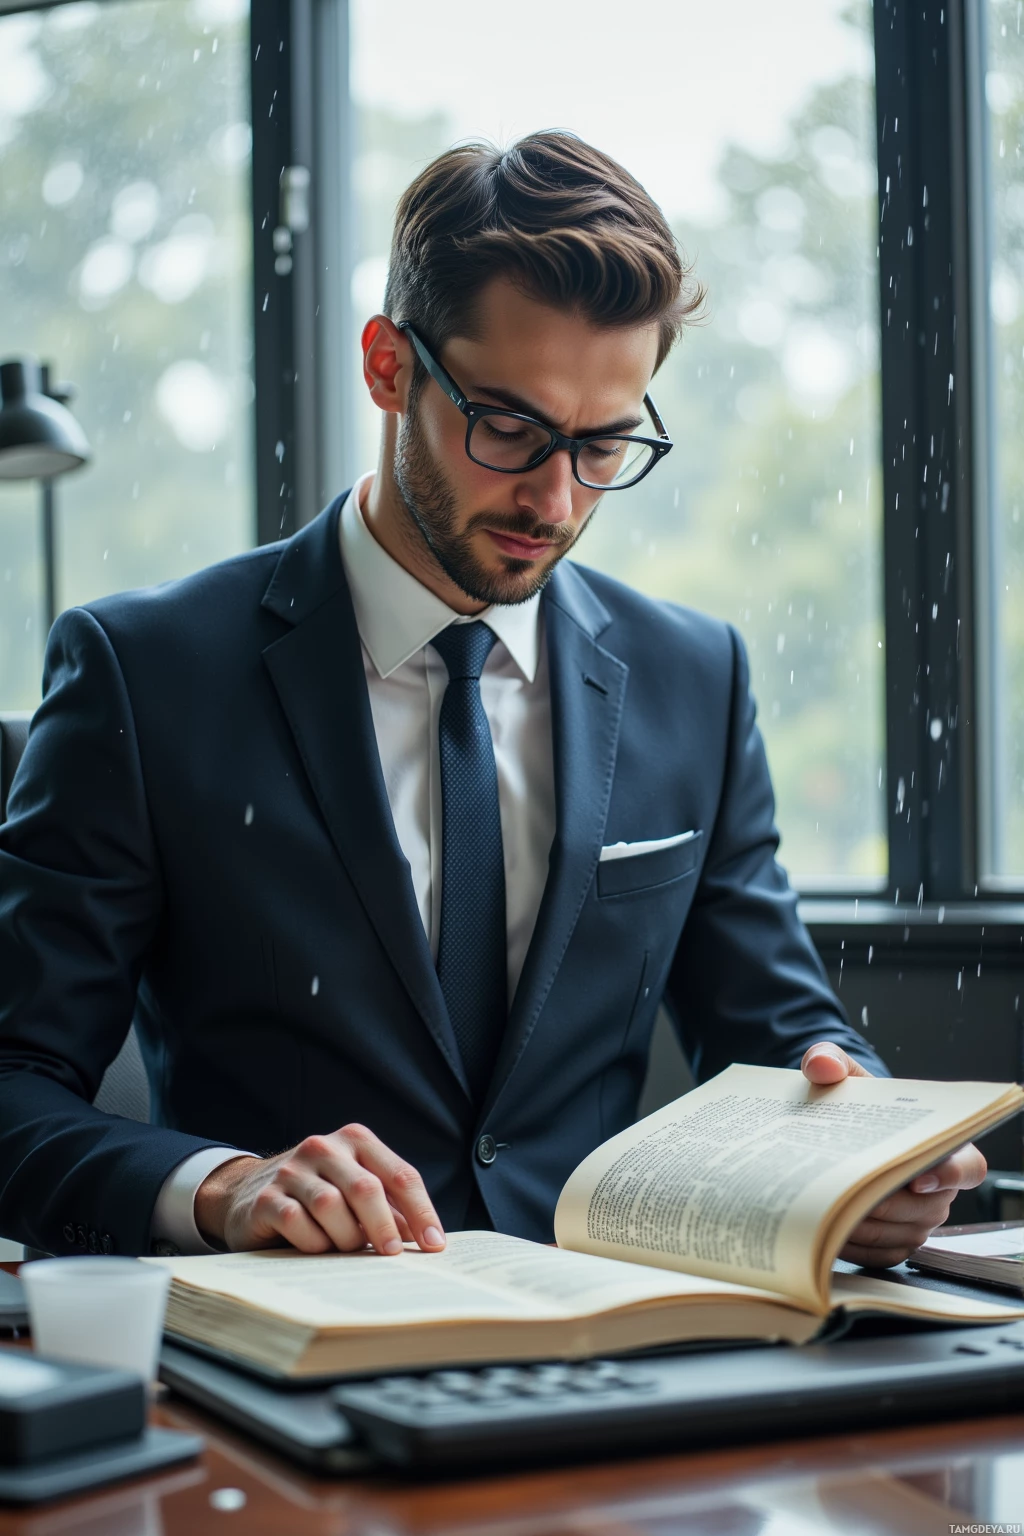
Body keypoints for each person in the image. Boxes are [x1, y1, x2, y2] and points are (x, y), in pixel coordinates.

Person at [0, 133, 984, 1268]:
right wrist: (223, 1186)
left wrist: (860, 1144)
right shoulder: (145, 670)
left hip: (624, 1343)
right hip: (289, 1355)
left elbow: (779, 1030)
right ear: (387, 367)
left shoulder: (692, 677)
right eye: (508, 428)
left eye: (605, 443)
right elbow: (16, 1086)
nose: (555, 499)